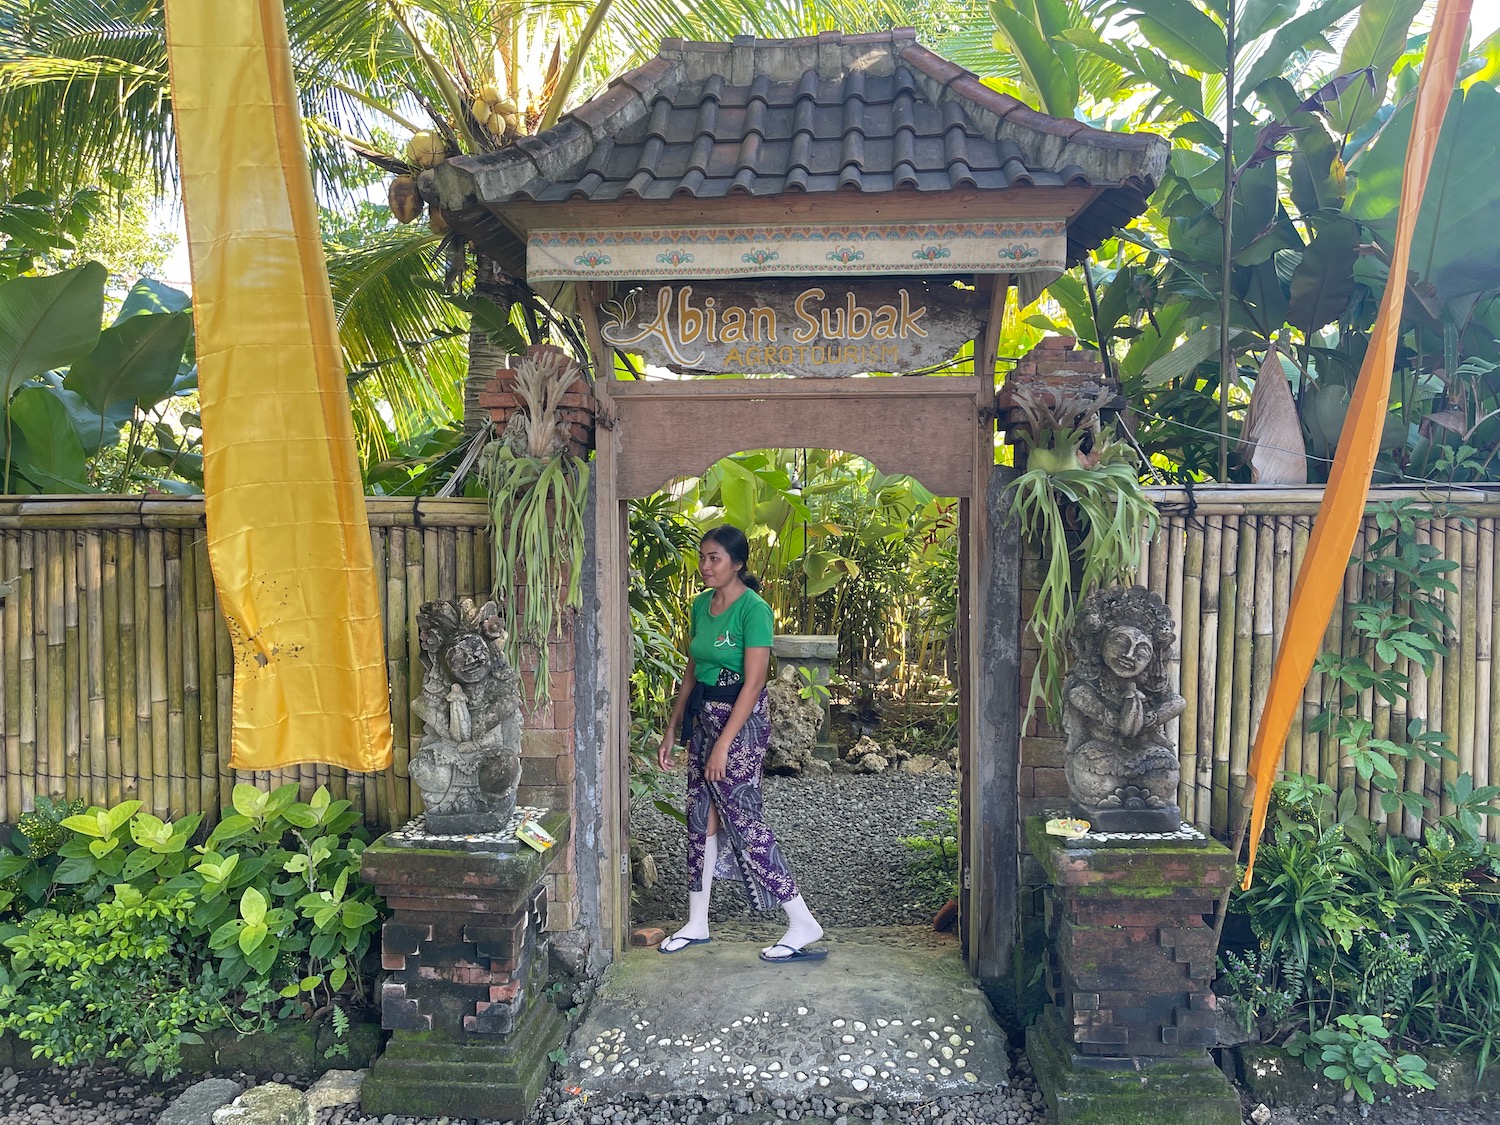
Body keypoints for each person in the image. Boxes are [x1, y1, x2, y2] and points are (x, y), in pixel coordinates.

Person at [655, 525, 826, 962]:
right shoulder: (699, 605)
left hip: (742, 725)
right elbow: (692, 671)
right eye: (703, 556)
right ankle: (697, 922)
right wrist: (674, 727)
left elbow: (753, 685)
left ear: (737, 564)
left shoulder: (755, 610)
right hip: (704, 719)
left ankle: (802, 920)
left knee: (745, 821)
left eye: (714, 558)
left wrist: (723, 746)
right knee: (699, 818)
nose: (705, 565)